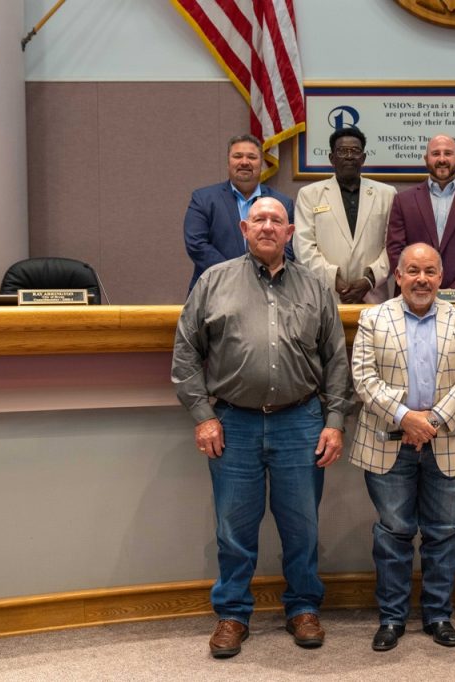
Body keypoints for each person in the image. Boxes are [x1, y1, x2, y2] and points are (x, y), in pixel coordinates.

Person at [172, 197, 352, 659]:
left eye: (277, 220)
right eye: (260, 220)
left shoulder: (314, 286)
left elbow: (335, 359)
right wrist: (203, 415)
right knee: (234, 527)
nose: (268, 227)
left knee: (302, 526)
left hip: (301, 421)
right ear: (244, 228)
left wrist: (334, 422)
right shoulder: (214, 281)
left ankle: (304, 607)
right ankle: (232, 614)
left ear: (290, 232)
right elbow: (186, 353)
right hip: (234, 424)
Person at [349, 242, 455, 652]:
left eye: (429, 271)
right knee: (393, 533)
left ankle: (438, 616)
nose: (421, 279)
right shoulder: (374, 318)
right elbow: (363, 378)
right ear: (399, 274)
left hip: (448, 440)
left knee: (444, 534)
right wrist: (407, 418)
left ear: (441, 278)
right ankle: (391, 617)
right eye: (413, 271)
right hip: (389, 441)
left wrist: (431, 421)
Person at [294, 128, 396, 303]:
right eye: (342, 151)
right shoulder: (309, 194)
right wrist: (334, 279)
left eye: (355, 151)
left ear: (363, 158)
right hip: (325, 295)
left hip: (372, 295)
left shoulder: (387, 194)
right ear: (332, 158)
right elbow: (304, 248)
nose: (349, 156)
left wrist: (369, 280)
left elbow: (393, 246)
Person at [183, 134, 295, 293]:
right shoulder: (203, 199)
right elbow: (196, 244)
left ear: (261, 163)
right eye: (237, 156)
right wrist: (236, 274)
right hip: (215, 289)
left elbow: (288, 248)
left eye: (252, 157)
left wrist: (259, 276)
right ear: (228, 162)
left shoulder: (282, 203)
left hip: (268, 290)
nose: (244, 162)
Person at [386, 134, 455, 290]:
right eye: (436, 153)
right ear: (426, 159)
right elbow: (395, 250)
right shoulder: (403, 201)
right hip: (413, 292)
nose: (442, 159)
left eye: (448, 153)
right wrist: (421, 282)